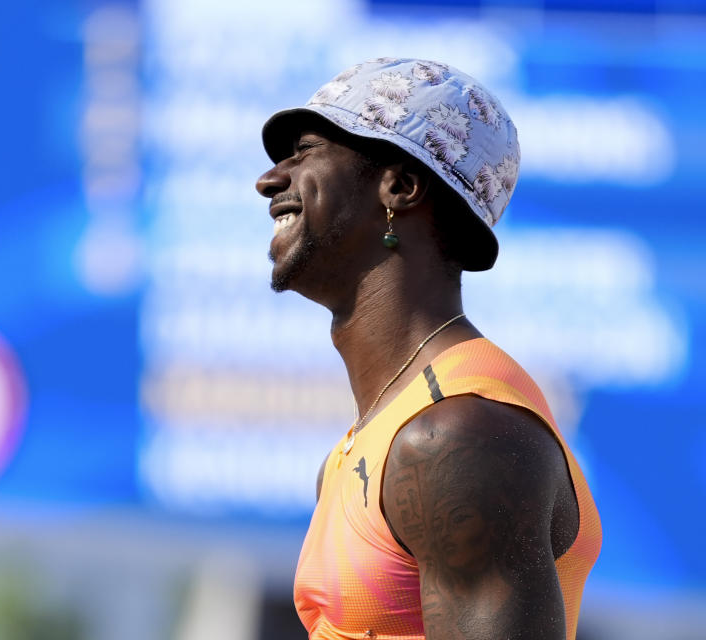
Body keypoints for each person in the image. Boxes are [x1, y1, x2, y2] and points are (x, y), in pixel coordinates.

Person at [254, 58, 601, 640]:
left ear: (400, 187)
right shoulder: (378, 440)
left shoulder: (455, 436)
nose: (270, 179)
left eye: (306, 151)